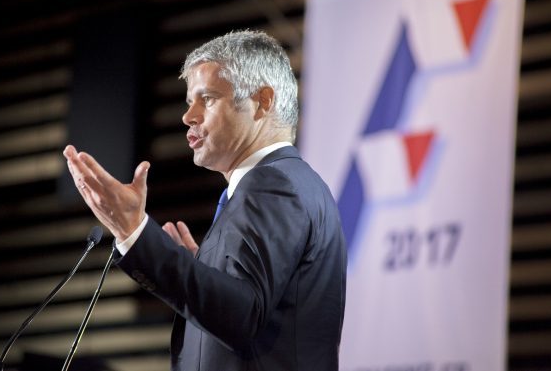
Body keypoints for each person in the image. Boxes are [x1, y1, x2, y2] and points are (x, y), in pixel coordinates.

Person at [63, 30, 346, 370]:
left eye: (207, 99)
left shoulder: (273, 184)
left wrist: (135, 232)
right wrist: (205, 273)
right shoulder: (284, 184)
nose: (188, 116)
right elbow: (247, 308)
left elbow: (242, 315)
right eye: (188, 102)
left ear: (263, 101)